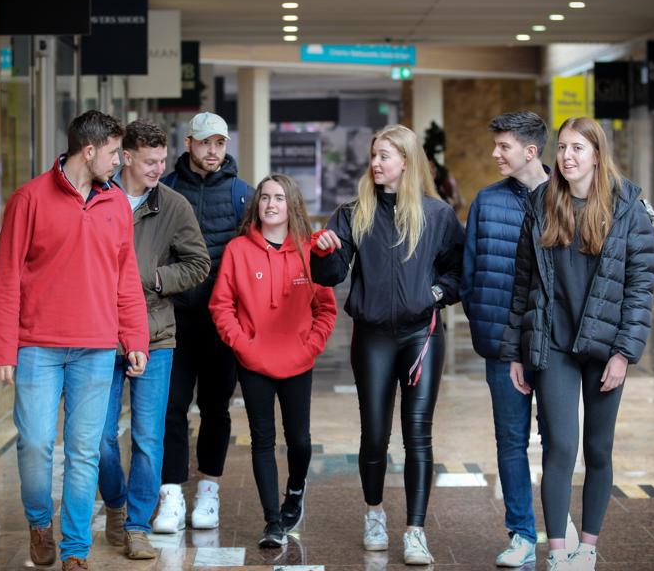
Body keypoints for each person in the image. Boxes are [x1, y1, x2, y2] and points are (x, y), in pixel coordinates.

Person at [0, 110, 150, 571]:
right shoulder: (28, 199)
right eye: (116, 151)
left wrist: (133, 335)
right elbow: (5, 279)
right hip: (37, 345)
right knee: (36, 443)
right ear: (90, 150)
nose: (121, 161)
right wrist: (2, 347)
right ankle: (40, 522)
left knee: (83, 451)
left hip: (96, 349)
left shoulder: (116, 203)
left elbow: (126, 278)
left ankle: (76, 550)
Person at [500, 117, 654, 571]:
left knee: (599, 449)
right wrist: (515, 350)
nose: (567, 157)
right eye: (563, 148)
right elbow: (523, 284)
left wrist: (626, 352)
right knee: (560, 448)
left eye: (577, 149)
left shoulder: (628, 206)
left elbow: (640, 284)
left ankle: (587, 546)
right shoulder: (543, 204)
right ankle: (558, 552)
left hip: (608, 347)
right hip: (556, 346)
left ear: (596, 154)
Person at [310, 124, 464, 565]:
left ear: (407, 162)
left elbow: (458, 272)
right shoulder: (353, 212)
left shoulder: (436, 215)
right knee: (375, 435)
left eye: (385, 156)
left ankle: (415, 530)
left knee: (418, 434)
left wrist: (435, 295)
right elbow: (330, 276)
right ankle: (374, 513)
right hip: (373, 336)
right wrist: (323, 252)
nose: (376, 163)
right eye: (374, 155)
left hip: (422, 336)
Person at [461, 111, 579, 567]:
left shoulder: (567, 200)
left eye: (503, 146)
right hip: (500, 345)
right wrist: (488, 327)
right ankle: (521, 534)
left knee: (558, 440)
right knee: (510, 440)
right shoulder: (487, 202)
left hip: (555, 348)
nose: (495, 153)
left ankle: (558, 528)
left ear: (530, 151)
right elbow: (471, 274)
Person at [97, 120, 210, 559]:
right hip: (99, 335)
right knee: (101, 437)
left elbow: (198, 263)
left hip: (155, 333)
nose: (157, 169)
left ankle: (138, 526)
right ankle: (115, 503)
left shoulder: (174, 205)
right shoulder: (98, 198)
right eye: (149, 161)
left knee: (148, 437)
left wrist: (155, 280)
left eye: (162, 160)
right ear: (126, 157)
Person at [209, 174, 337, 548]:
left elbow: (326, 309)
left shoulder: (308, 251)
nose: (270, 204)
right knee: (262, 439)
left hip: (298, 359)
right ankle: (272, 522)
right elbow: (221, 305)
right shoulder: (237, 250)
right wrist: (241, 345)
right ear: (257, 205)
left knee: (298, 439)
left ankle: (295, 490)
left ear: (291, 205)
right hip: (253, 361)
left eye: (279, 198)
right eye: (264, 197)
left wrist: (310, 345)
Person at [155, 112, 254, 534]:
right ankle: (172, 494)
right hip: (173, 320)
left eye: (220, 143)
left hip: (219, 322)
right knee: (171, 408)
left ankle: (209, 490)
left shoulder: (240, 194)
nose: (213, 151)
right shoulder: (166, 189)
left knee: (216, 409)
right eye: (205, 143)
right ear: (189, 145)